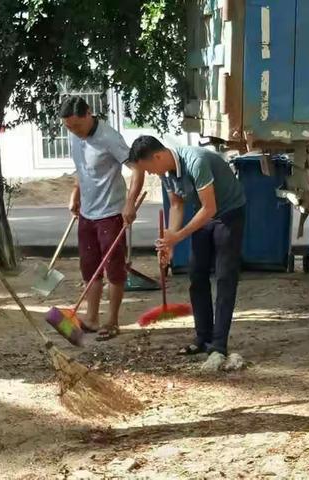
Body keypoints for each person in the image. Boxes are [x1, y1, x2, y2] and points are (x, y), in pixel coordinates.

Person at [128, 135, 246, 370]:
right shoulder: (166, 172)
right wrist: (169, 243)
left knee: (224, 278)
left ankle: (219, 346)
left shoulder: (196, 161)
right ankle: (203, 338)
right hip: (204, 215)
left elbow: (210, 208)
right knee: (196, 274)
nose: (151, 174)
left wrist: (178, 236)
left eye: (148, 168)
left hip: (228, 213)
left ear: (158, 156)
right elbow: (176, 205)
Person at [60, 96, 144, 341]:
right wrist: (76, 194)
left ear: (88, 114)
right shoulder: (75, 136)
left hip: (110, 213)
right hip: (87, 212)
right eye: (68, 127)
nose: (73, 131)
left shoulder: (109, 137)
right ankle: (91, 318)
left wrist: (130, 203)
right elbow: (81, 168)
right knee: (89, 267)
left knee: (114, 269)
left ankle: (112, 321)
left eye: (76, 126)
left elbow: (137, 168)